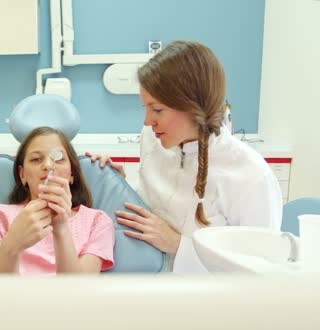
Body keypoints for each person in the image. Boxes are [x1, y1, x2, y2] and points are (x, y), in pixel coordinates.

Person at [86, 40, 282, 273]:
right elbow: (157, 206)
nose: (147, 121)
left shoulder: (250, 176)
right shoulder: (152, 138)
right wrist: (116, 185)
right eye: (145, 108)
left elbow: (260, 271)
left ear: (193, 106)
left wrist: (178, 245)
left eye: (157, 110)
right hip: (145, 286)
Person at [0, 127, 116, 275]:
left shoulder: (97, 222)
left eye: (59, 158)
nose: (48, 165)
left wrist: (61, 227)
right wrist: (11, 246)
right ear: (22, 174)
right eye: (36, 159)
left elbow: (77, 292)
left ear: (72, 174)